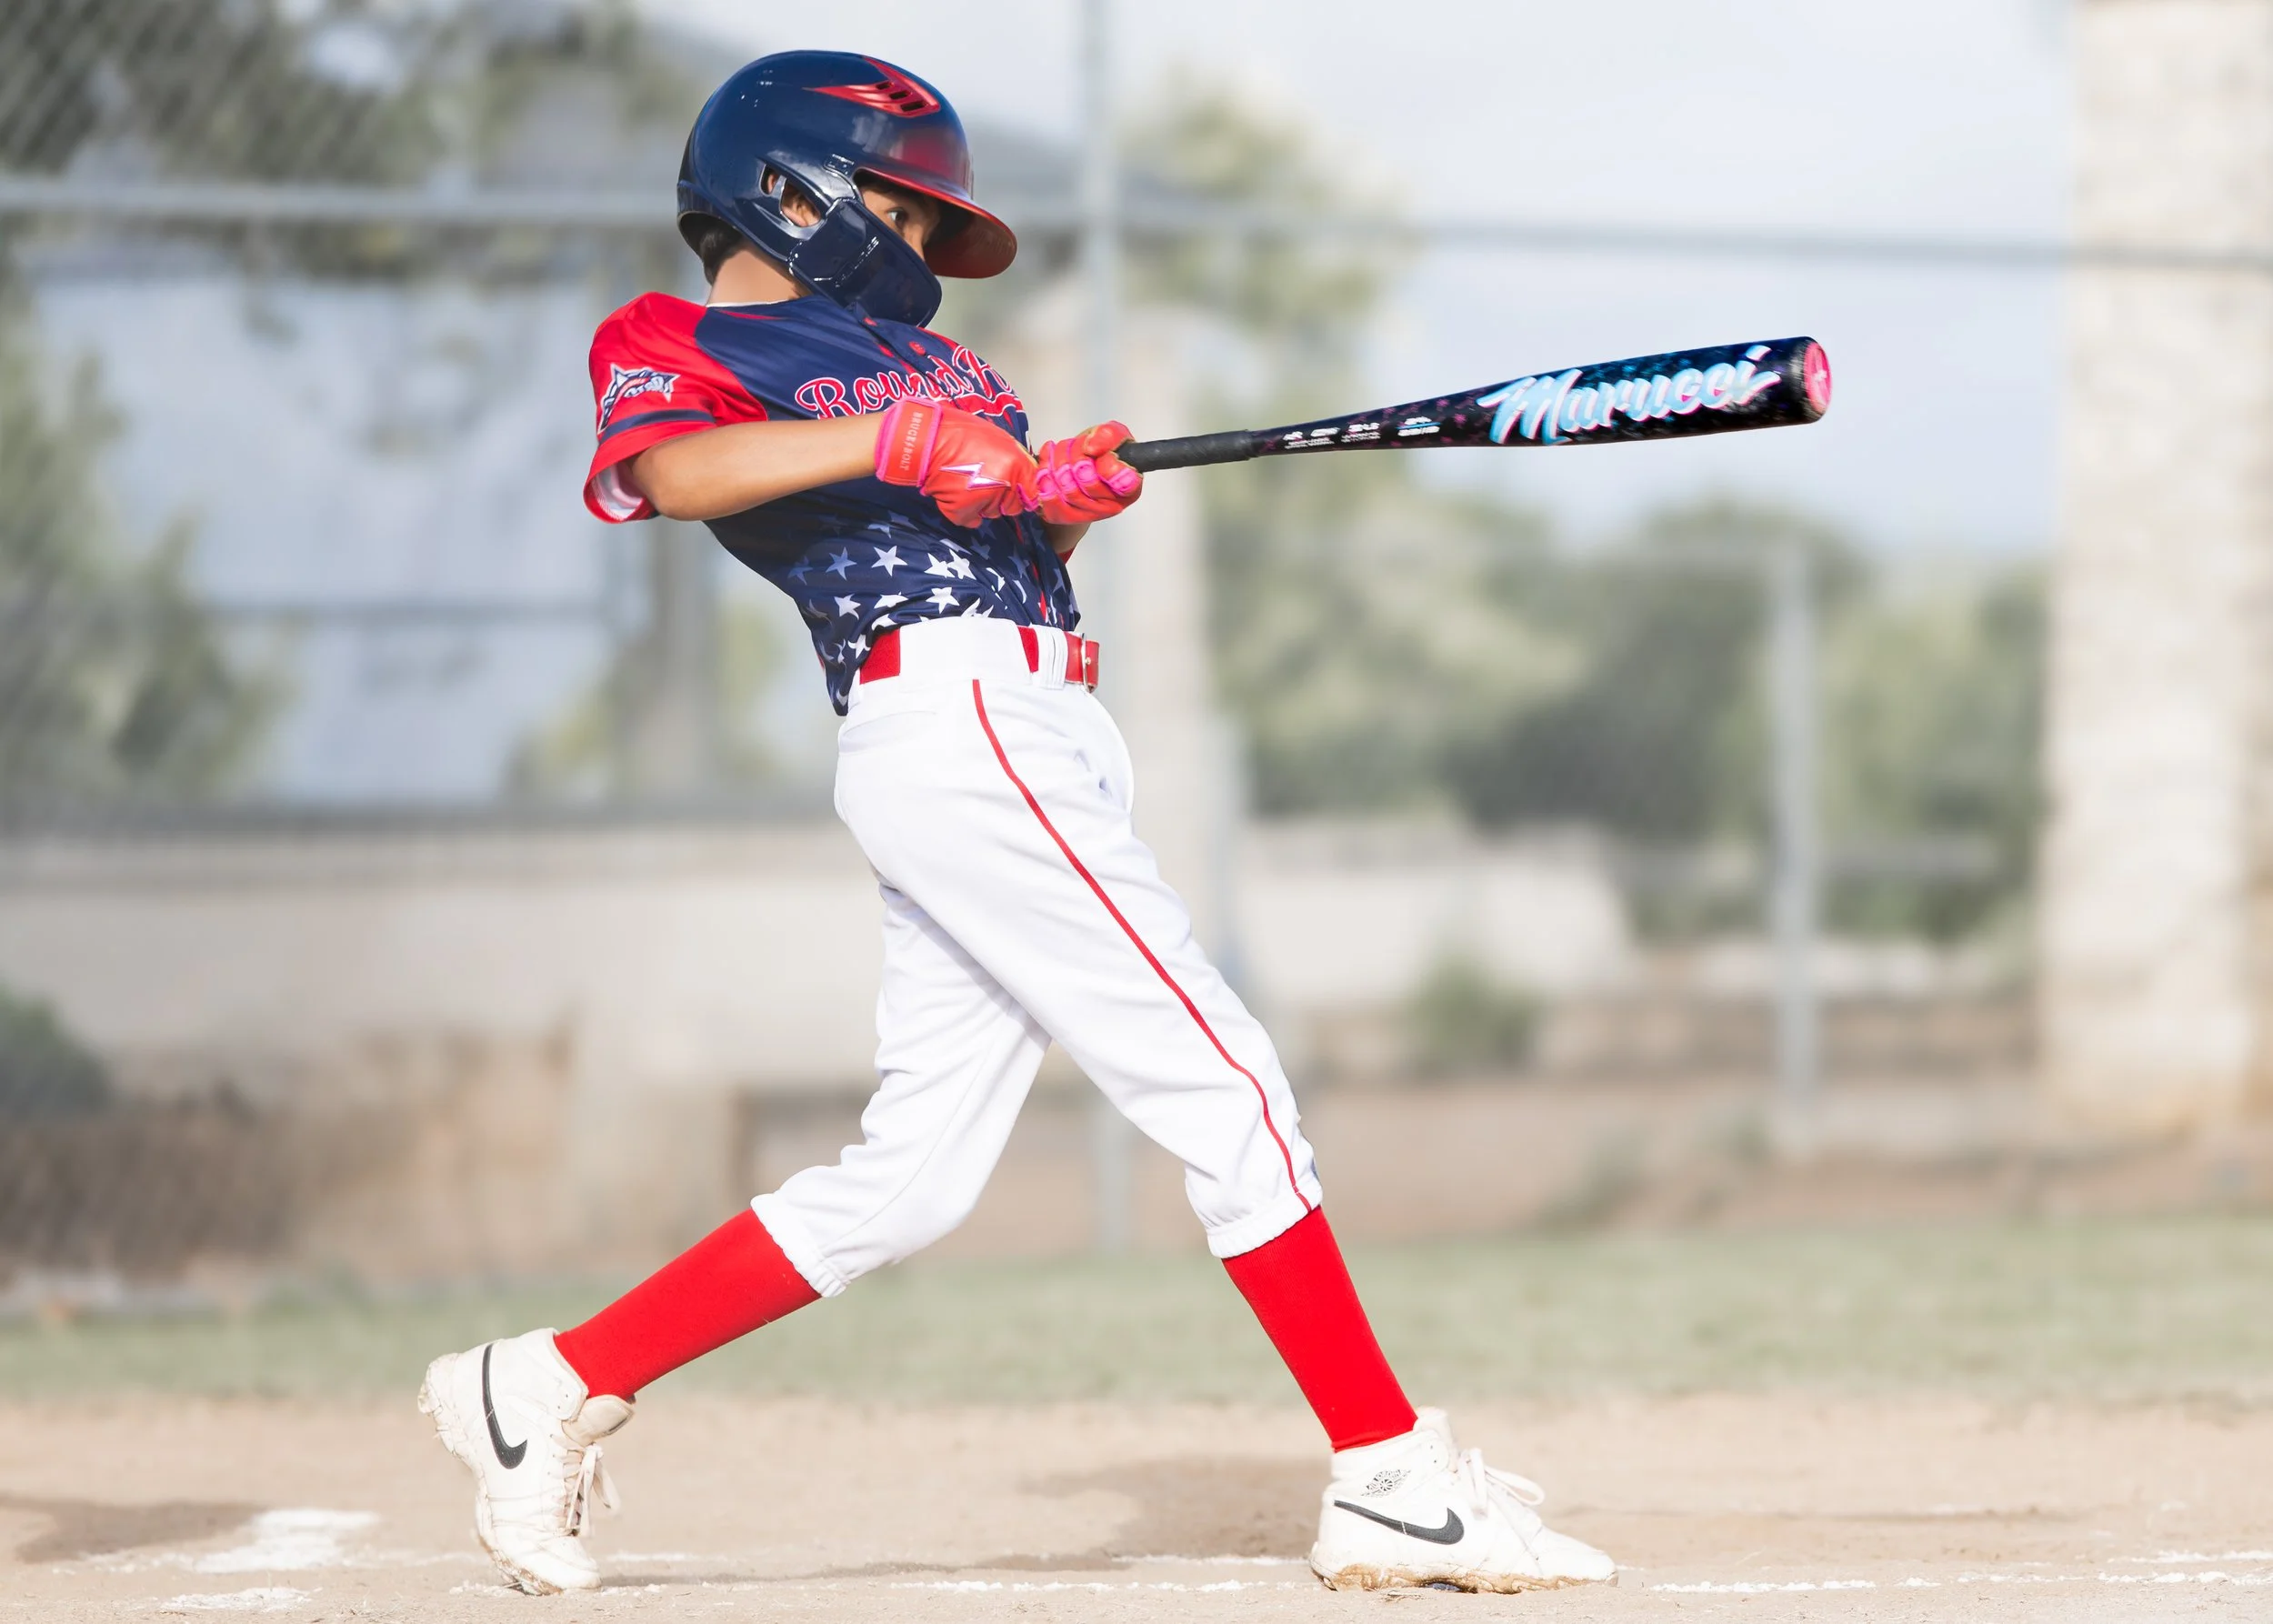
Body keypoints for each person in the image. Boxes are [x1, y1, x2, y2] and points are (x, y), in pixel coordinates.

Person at [416, 49, 1617, 1599]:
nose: (926, 251)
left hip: (1039, 717)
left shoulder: (961, 374)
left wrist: (1053, 499)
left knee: (911, 1176)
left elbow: (992, 528)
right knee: (1228, 1079)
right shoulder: (679, 340)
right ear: (799, 190)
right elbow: (679, 470)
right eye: (909, 216)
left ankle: (546, 1385)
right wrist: (895, 447)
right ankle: (1388, 1471)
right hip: (951, 724)